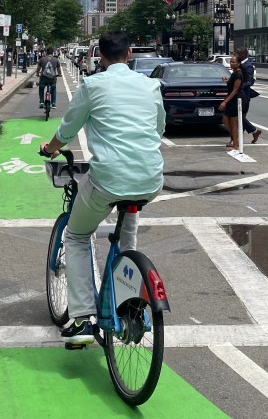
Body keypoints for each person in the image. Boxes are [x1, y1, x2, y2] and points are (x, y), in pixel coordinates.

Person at [39, 31, 165, 347]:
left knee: (78, 235)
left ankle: (81, 317)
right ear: (130, 53)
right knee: (127, 239)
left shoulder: (93, 85)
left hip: (109, 178)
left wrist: (52, 148)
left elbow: (67, 130)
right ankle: (129, 304)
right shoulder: (150, 85)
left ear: (101, 56)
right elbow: (159, 127)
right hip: (150, 179)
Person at [234, 46, 261, 143]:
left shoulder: (248, 66)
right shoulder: (239, 64)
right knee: (238, 117)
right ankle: (252, 132)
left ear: (243, 54)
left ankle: (253, 131)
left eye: (237, 53)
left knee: (239, 117)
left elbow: (250, 82)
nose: (236, 55)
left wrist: (239, 86)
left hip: (244, 95)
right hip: (238, 94)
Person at [218, 55, 246, 150]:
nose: (232, 63)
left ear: (238, 63)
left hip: (237, 99)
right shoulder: (234, 73)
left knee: (233, 123)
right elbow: (232, 86)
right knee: (225, 119)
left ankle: (235, 144)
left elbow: (235, 90)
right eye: (231, 62)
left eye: (234, 62)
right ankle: (235, 139)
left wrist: (225, 102)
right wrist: (227, 81)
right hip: (232, 99)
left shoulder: (238, 74)